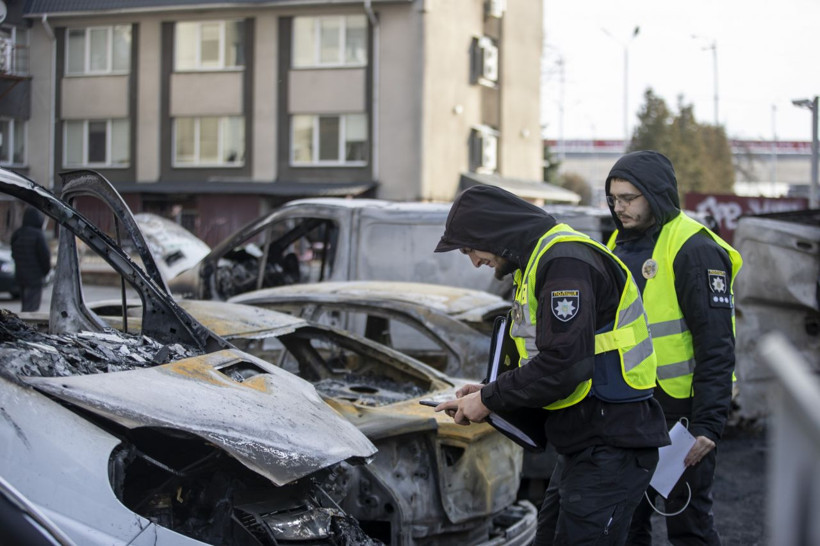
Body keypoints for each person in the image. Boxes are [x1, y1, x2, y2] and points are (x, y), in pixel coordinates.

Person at [433, 185, 670, 545]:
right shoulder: (542, 262)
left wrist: (488, 400)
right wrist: (489, 391)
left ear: (491, 232)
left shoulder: (564, 263)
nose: (475, 261)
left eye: (470, 249)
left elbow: (564, 365)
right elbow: (548, 357)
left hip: (611, 443)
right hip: (588, 441)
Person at [603, 150, 742, 545]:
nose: (619, 207)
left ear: (656, 194)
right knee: (628, 523)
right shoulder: (618, 242)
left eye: (630, 197)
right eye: (614, 198)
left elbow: (717, 346)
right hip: (631, 410)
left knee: (689, 526)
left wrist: (708, 424)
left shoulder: (694, 248)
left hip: (681, 417)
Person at [11, 206, 51, 312]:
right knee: (31, 309)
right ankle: (26, 328)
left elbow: (13, 254)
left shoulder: (17, 233)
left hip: (21, 277)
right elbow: (45, 256)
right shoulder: (38, 235)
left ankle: (22, 325)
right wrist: (45, 271)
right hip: (35, 279)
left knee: (25, 306)